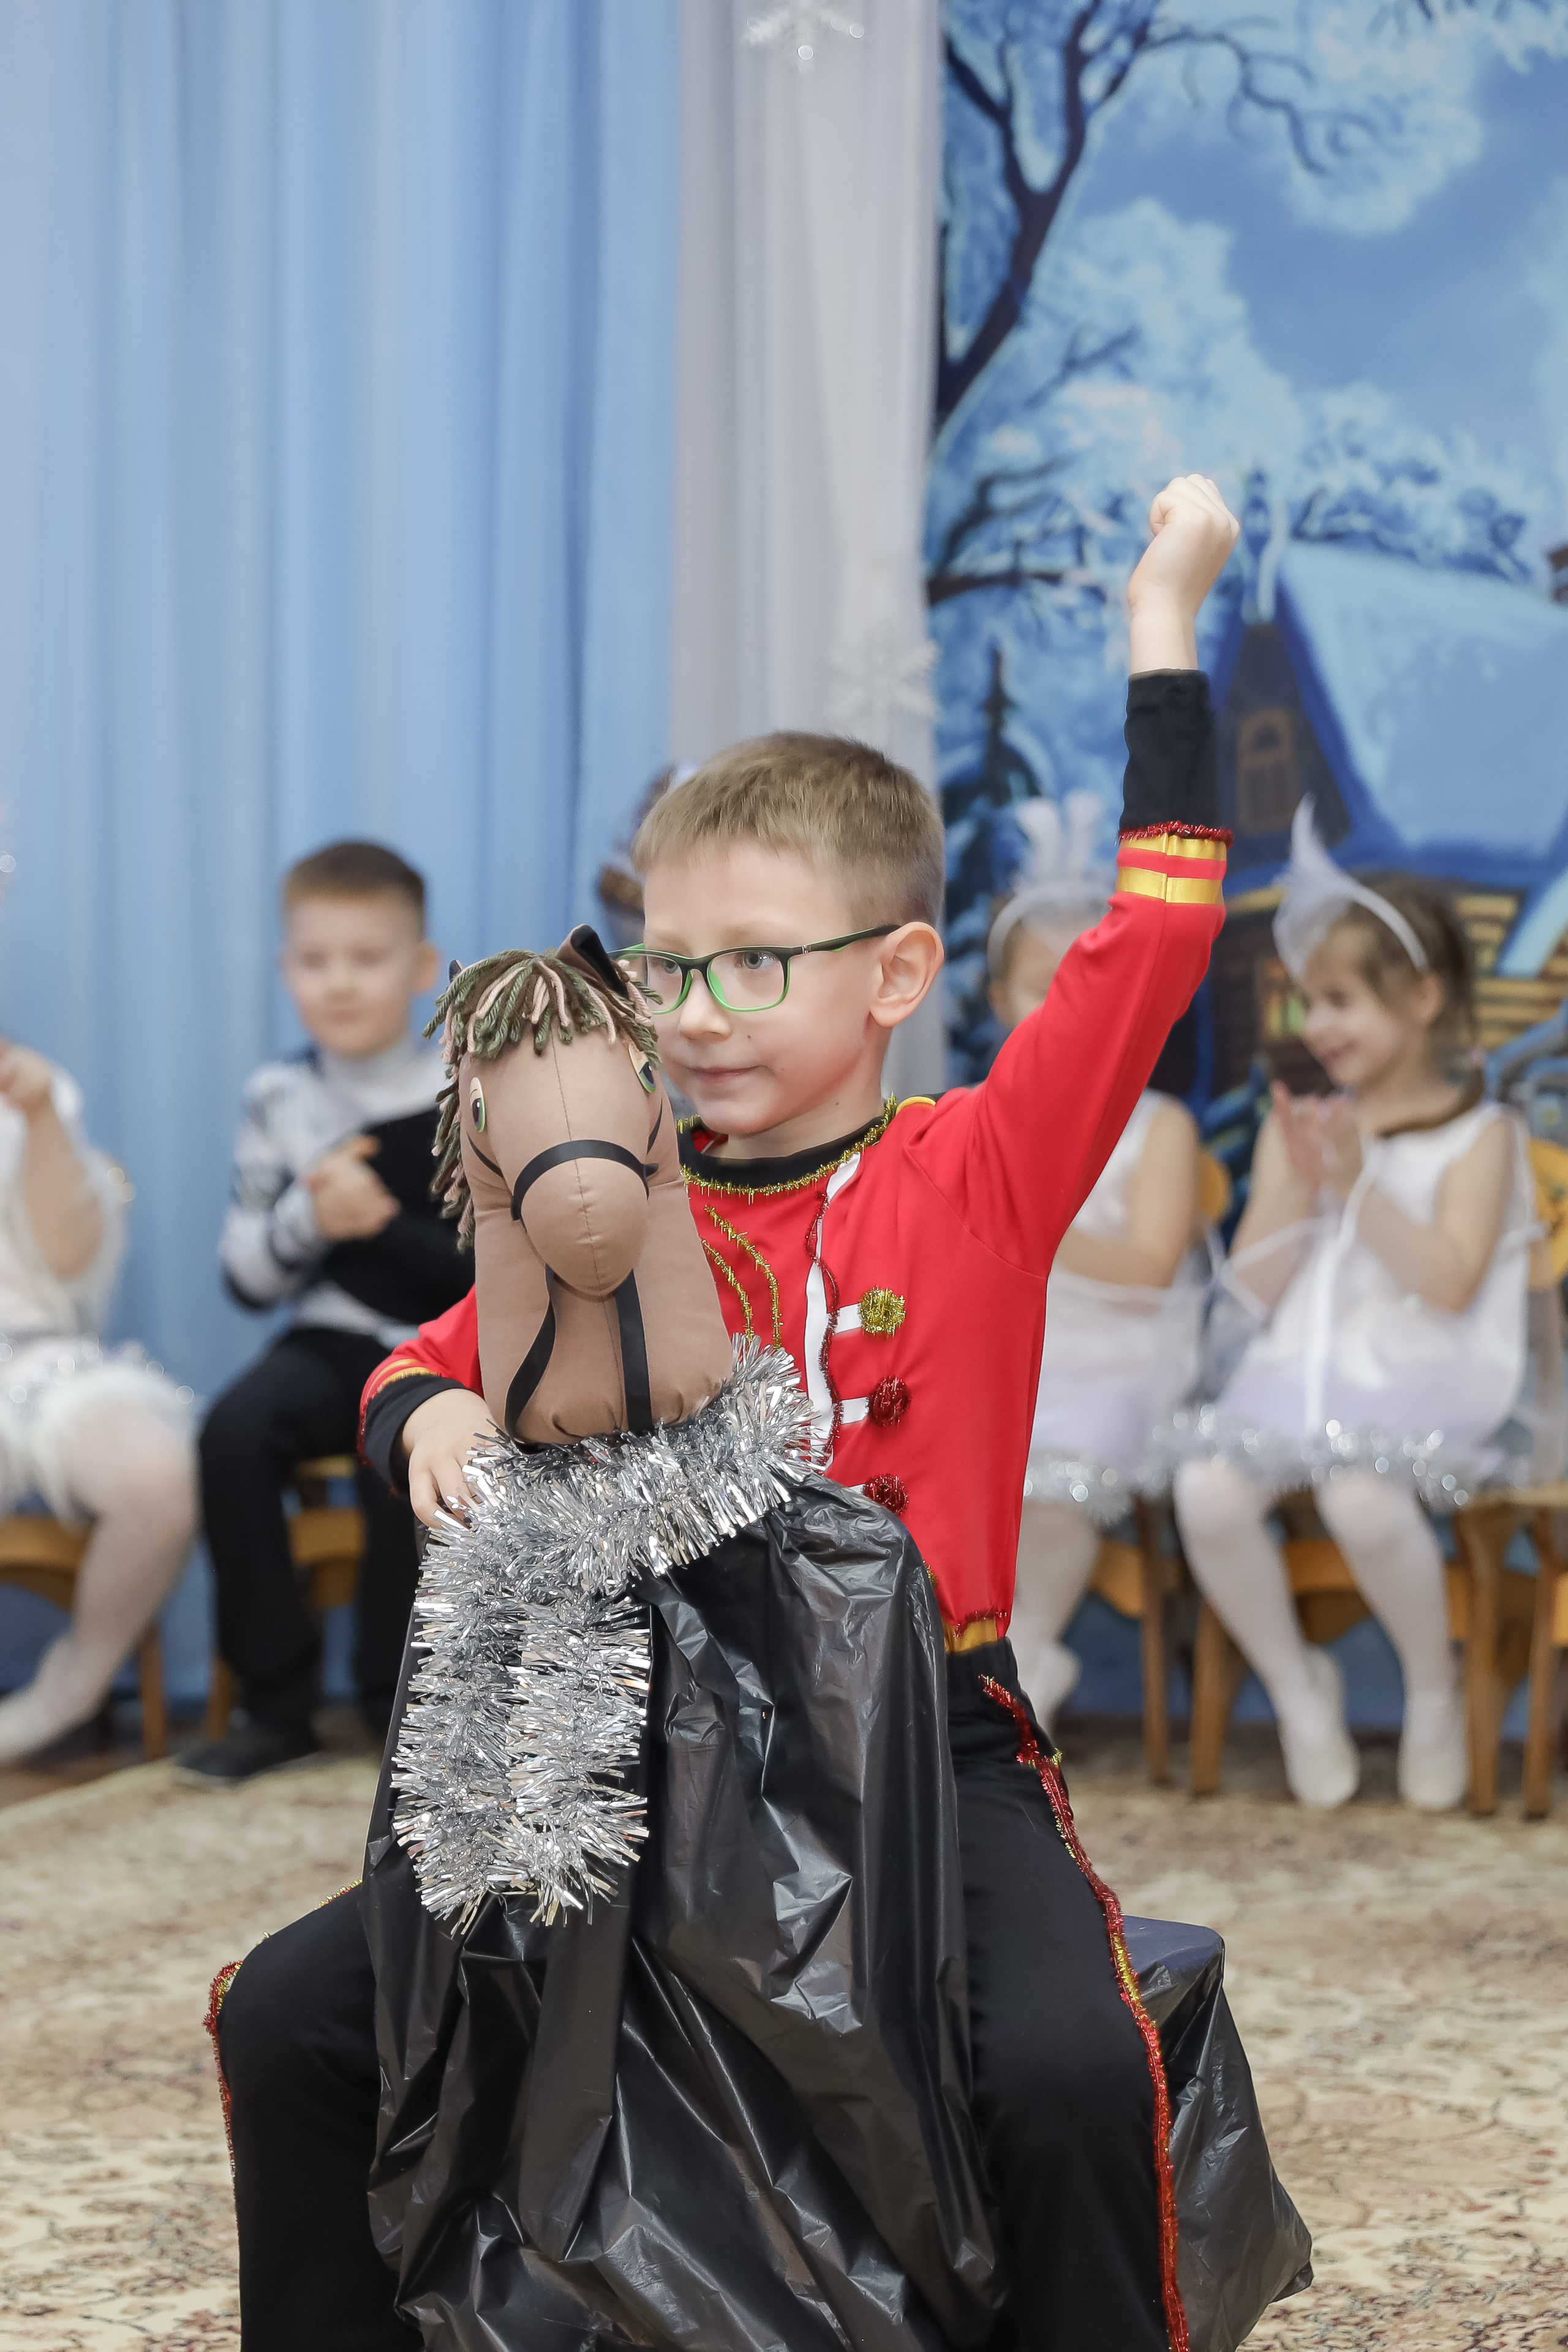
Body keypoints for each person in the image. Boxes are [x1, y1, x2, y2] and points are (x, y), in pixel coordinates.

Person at [355, 477, 1263, 2351]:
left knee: (1075, 2084)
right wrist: (430, 1419)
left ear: (898, 975)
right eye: (662, 963)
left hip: (928, 1746)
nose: (691, 1011)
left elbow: (1159, 934)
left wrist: (1162, 620)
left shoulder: (977, 1169)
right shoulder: (617, 1194)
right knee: (308, 2020)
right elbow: (419, 1349)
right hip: (640, 1744)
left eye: (755, 962)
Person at [1172, 802, 1537, 1812]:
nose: (1316, 1026)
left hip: (1425, 1366)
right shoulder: (1323, 1123)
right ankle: (1299, 1689)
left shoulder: (1485, 1137)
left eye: (1341, 1001)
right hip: (1303, 1369)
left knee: (1361, 1493)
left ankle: (1431, 1687)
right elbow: (1253, 1291)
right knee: (1205, 1487)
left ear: (1423, 998)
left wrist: (1361, 1182)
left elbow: (1451, 1279)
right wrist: (1291, 1187)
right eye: (1305, 1002)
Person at [180, 842, 470, 1785]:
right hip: (334, 1334)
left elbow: (483, 1268)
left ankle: (400, 1708)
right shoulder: (280, 1098)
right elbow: (248, 1278)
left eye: (368, 957)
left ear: (423, 970)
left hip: (441, 1353)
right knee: (233, 1431)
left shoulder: (462, 1091)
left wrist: (377, 1220)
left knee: (408, 1461)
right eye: (315, 961)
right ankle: (277, 1706)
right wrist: (310, 1217)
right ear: (286, 971)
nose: (339, 982)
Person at [986, 812, 1205, 1730]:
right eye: (1045, 987)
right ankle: (985, 1654)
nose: (1066, 1007)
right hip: (1013, 1336)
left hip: (1120, 1344)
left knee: (1064, 1462)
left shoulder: (1160, 1126)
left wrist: (1035, 1229)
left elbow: (1152, 1265)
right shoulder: (980, 1114)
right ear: (1001, 1001)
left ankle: (1024, 1656)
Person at [0, 1037, 197, 1764]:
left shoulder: (38, 1092)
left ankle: (66, 1695)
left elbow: (68, 1260)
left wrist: (41, 1115)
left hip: (37, 1355)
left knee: (157, 1469)